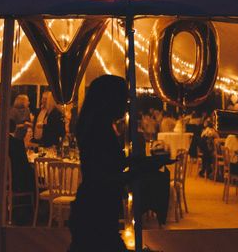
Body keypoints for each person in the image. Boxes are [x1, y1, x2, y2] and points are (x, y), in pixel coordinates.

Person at [68, 75, 170, 252]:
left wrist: (138, 162)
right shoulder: (99, 131)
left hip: (95, 207)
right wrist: (139, 170)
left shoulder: (98, 127)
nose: (127, 104)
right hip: (97, 210)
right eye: (124, 99)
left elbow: (109, 164)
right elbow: (104, 177)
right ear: (110, 100)